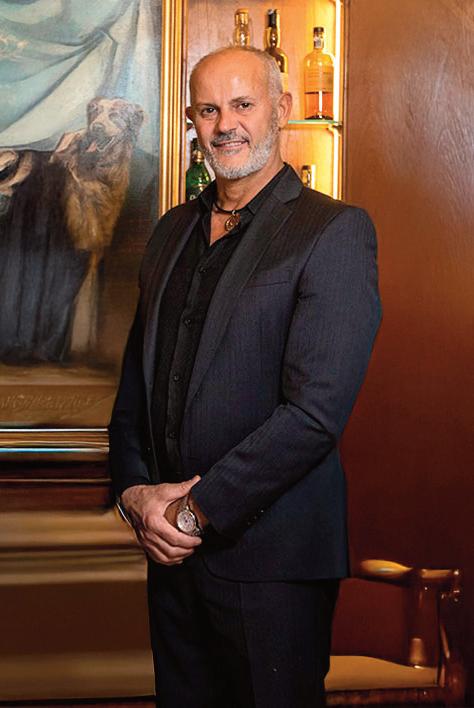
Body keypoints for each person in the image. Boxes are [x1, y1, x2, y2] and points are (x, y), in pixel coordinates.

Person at [109, 45, 381, 708]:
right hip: (172, 561)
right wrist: (137, 498)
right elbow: (134, 395)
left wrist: (194, 512)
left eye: (242, 104)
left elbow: (314, 415)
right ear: (191, 122)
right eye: (208, 109)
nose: (225, 123)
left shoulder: (333, 231)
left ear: (280, 109)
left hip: (273, 567)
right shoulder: (171, 231)